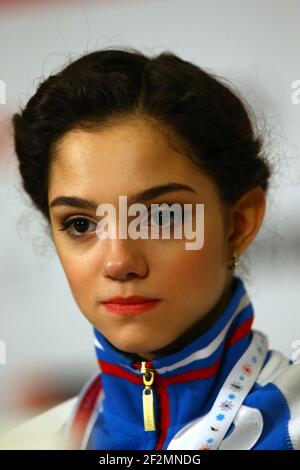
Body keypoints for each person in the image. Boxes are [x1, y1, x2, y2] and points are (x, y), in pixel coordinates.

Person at [5, 47, 299, 450]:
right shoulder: (31, 444)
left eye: (160, 218)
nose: (119, 261)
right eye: (80, 224)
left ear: (239, 224)